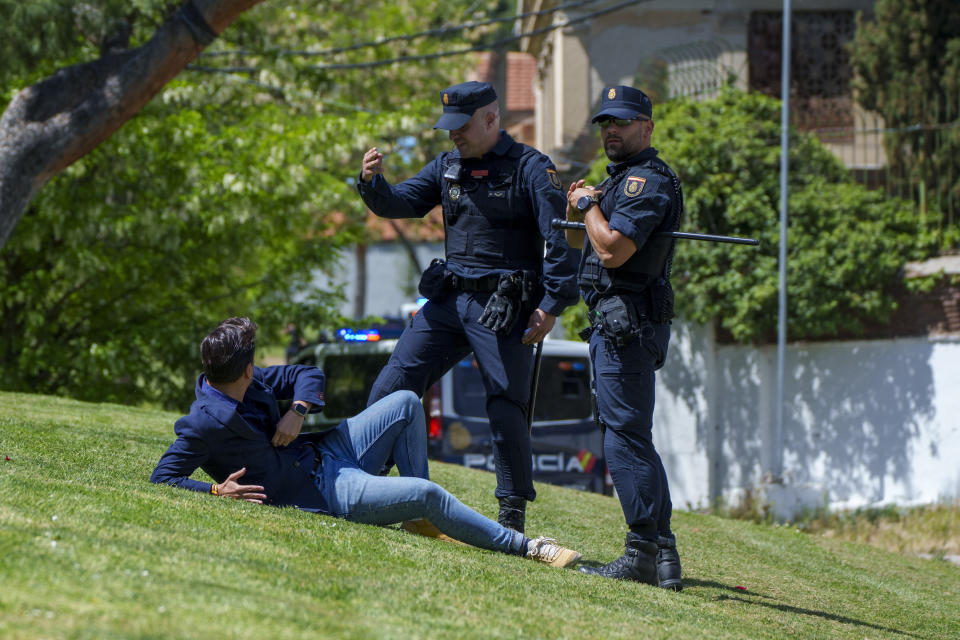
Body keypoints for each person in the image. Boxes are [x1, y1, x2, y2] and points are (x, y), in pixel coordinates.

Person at [150, 316, 580, 568]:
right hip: (324, 490)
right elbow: (163, 476)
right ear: (243, 370)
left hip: (329, 450)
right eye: (254, 359)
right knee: (427, 492)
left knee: (407, 401)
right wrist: (214, 488)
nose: (258, 365)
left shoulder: (248, 379)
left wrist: (297, 411)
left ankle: (418, 521)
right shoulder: (203, 423)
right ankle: (527, 547)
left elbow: (307, 374)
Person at [356, 81, 579, 533]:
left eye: (461, 126)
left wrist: (552, 305)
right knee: (391, 386)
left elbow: (559, 238)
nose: (452, 135)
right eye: (448, 127)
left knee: (504, 406)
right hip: (448, 299)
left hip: (503, 307)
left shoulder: (531, 169)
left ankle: (511, 513)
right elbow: (401, 202)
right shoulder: (447, 165)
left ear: (491, 119)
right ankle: (366, 483)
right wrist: (371, 182)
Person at [562, 86, 683, 590]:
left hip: (627, 325)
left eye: (622, 122)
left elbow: (611, 250)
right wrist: (578, 208)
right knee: (631, 435)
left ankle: (640, 555)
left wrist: (591, 205)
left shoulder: (644, 182)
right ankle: (663, 557)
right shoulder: (617, 183)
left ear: (646, 127)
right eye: (605, 123)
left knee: (625, 438)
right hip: (617, 324)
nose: (611, 130)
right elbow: (580, 241)